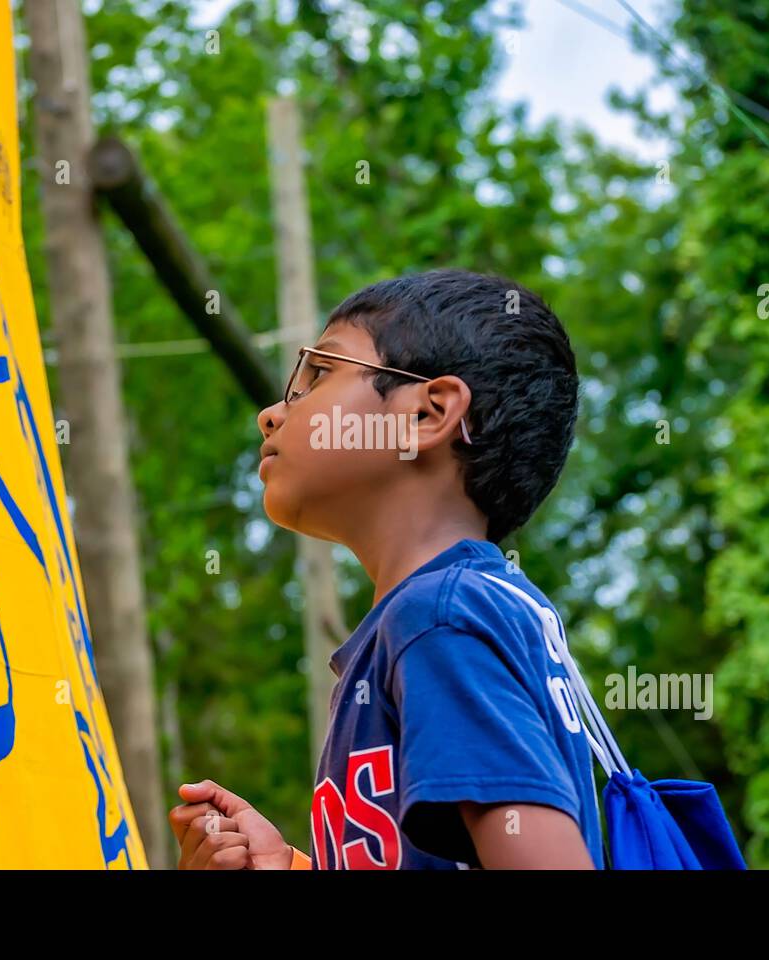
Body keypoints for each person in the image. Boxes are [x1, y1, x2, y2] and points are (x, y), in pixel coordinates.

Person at [170, 269, 602, 869]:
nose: (271, 414)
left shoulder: (440, 619)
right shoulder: (448, 613)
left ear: (428, 415)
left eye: (318, 374)